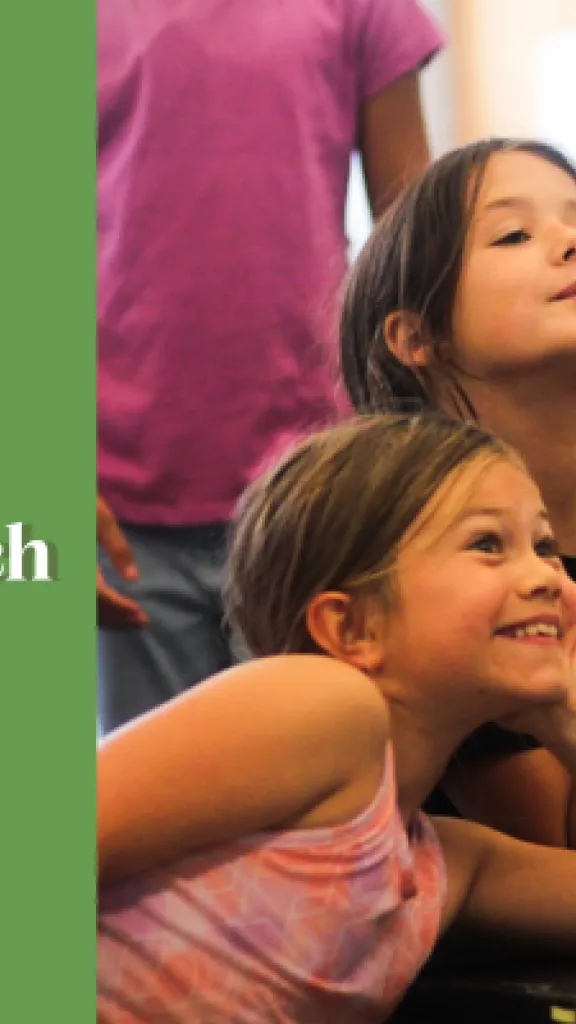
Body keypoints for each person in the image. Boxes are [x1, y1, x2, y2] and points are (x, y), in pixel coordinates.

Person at [97, 414, 576, 1023]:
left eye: (545, 547)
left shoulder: (440, 865)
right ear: (352, 628)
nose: (545, 578)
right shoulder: (322, 704)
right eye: (487, 545)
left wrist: (564, 719)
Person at [97, 0, 444, 732]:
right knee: (154, 823)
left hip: (320, 493)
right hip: (120, 509)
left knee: (330, 806)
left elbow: (416, 251)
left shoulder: (364, 8)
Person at [339, 138, 576, 847]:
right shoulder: (432, 567)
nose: (568, 242)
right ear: (419, 336)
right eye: (514, 233)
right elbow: (553, 847)